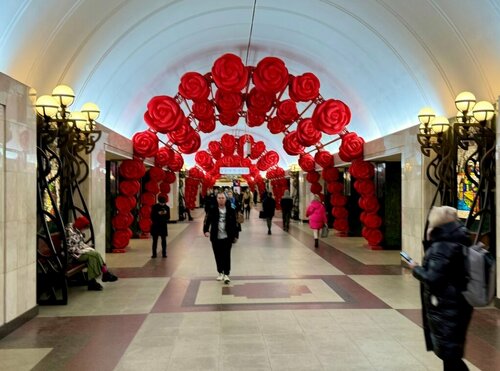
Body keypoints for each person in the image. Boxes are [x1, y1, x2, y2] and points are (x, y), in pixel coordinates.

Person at [407, 206, 473, 371]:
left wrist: (415, 268)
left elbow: (433, 278)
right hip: (457, 303)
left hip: (446, 306)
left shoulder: (442, 245)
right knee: (451, 355)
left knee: (450, 356)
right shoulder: (457, 238)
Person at [66, 216, 118, 291]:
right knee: (93, 255)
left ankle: (96, 279)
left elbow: (79, 244)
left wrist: (87, 249)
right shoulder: (70, 232)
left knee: (95, 255)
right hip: (73, 255)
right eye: (84, 228)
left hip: (79, 252)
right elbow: (71, 248)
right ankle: (101, 275)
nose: (83, 230)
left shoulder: (76, 230)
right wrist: (85, 250)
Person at [203, 192, 238, 284]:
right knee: (218, 255)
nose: (221, 199)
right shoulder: (212, 209)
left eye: (222, 198)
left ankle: (226, 273)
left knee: (226, 255)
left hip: (227, 237)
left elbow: (235, 223)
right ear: (216, 199)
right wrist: (206, 230)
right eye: (219, 198)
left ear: (226, 199)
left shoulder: (231, 209)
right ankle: (220, 272)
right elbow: (207, 220)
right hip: (215, 237)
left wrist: (236, 235)